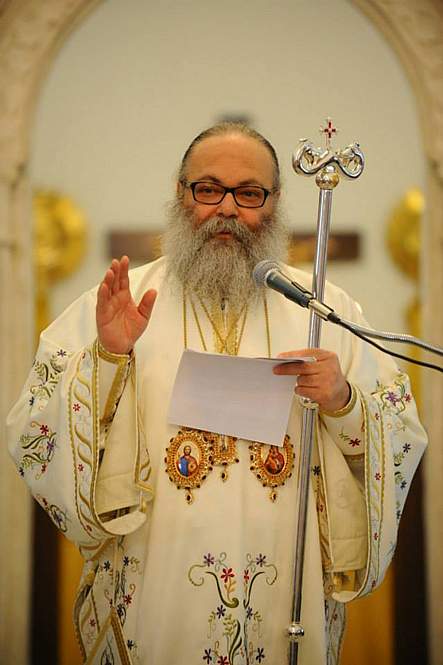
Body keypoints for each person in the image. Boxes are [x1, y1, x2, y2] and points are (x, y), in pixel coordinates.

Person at [7, 122, 427, 665]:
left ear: (274, 202)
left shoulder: (325, 310)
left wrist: (343, 402)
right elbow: (33, 432)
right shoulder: (119, 302)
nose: (227, 208)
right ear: (180, 192)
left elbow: (400, 437)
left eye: (249, 193)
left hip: (286, 589)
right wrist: (108, 358)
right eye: (208, 189)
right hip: (155, 585)